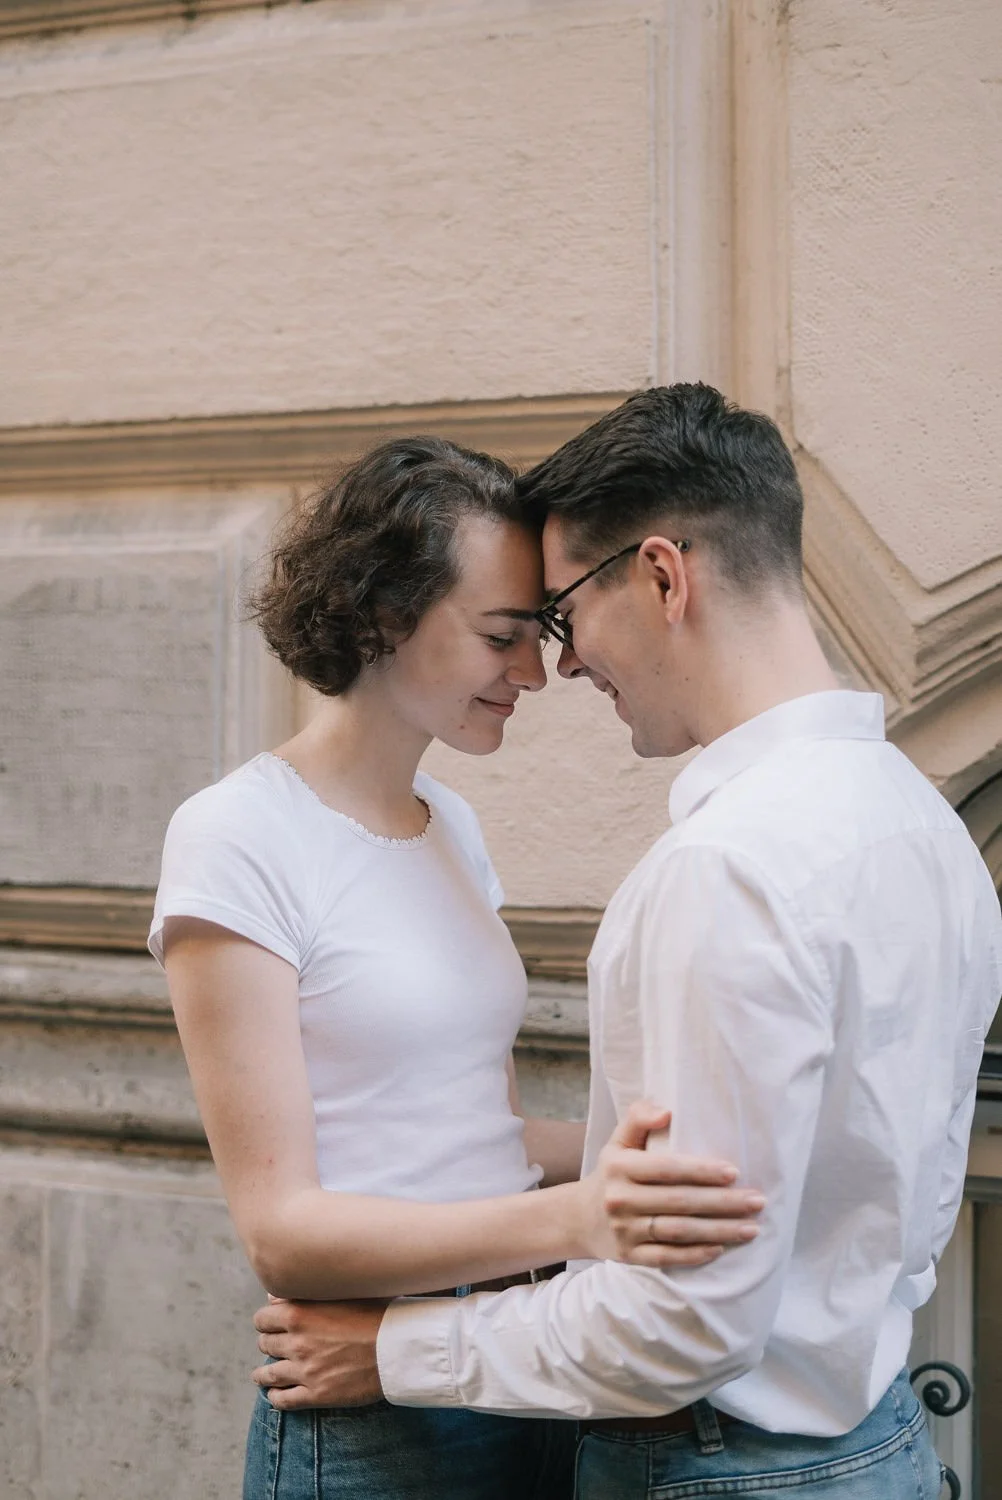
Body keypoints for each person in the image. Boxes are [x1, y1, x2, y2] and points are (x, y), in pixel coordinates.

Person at [255, 386, 1002, 1500]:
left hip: (719, 1466)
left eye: (557, 615)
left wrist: (392, 1354)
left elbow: (682, 1319)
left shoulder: (728, 868)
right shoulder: (924, 823)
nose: (558, 666)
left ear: (663, 576)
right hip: (879, 1445)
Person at [149, 435, 765, 1500]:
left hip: (517, 1363)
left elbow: (471, 1132)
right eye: (502, 636)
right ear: (387, 614)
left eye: (539, 636)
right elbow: (282, 1233)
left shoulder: (454, 829)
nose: (534, 672)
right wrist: (580, 1217)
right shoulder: (236, 836)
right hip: (373, 1417)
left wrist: (696, 1144)